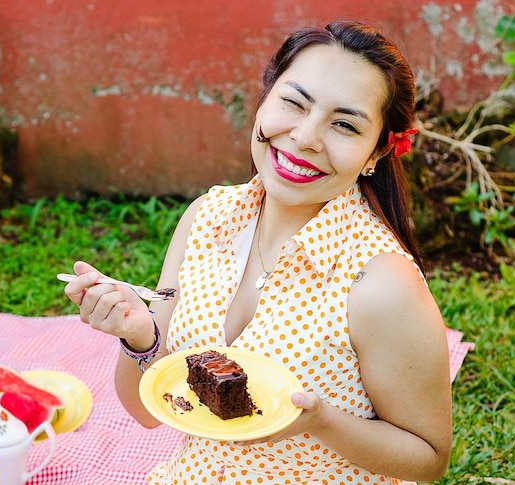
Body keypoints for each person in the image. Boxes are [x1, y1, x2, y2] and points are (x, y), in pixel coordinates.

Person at [63, 20, 452, 484]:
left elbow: (429, 460)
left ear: (376, 152)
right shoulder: (205, 220)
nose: (306, 137)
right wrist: (138, 336)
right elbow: (149, 413)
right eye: (293, 102)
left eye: (345, 124)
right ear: (265, 99)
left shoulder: (382, 284)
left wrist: (321, 422)